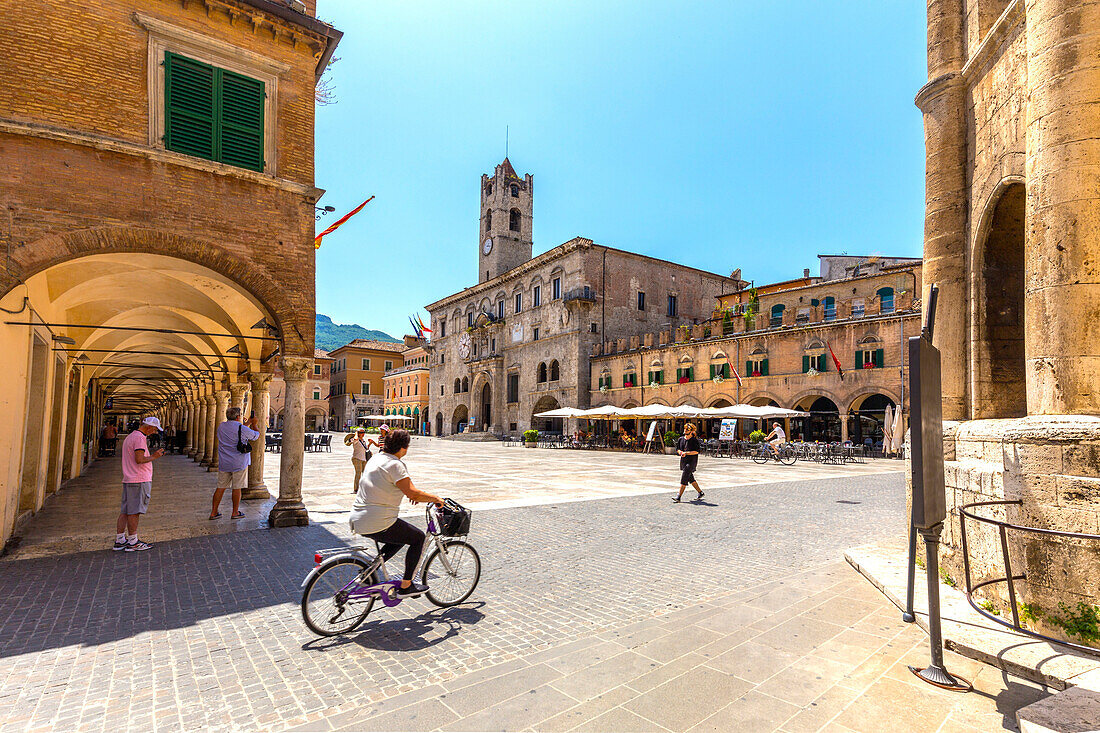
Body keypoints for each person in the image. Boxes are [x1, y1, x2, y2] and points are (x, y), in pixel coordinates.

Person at [349, 429, 443, 597]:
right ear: (402, 448)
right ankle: (407, 585)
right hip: (377, 520)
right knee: (418, 538)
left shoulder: (376, 458)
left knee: (398, 538)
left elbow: (391, 485)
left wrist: (414, 494)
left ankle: (369, 572)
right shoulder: (395, 464)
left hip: (357, 517)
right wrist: (435, 498)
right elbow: (412, 492)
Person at [114, 417, 165, 551]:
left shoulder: (131, 436)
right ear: (148, 427)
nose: (154, 432)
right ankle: (133, 541)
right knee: (134, 511)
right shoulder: (139, 438)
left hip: (129, 479)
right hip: (138, 479)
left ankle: (120, 539)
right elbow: (139, 459)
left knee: (125, 511)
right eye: (154, 429)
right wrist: (155, 456)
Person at [210, 406, 260, 520]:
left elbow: (237, 431)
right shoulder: (242, 428)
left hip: (224, 462)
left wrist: (246, 424)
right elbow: (256, 436)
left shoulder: (221, 426)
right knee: (237, 488)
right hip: (239, 462)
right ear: (238, 416)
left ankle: (213, 512)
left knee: (220, 487)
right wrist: (254, 424)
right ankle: (235, 512)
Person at [673, 422, 705, 502]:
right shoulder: (681, 439)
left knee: (684, 477)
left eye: (687, 429)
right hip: (684, 461)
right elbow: (678, 449)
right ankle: (700, 492)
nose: (685, 430)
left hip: (691, 461)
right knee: (690, 478)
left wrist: (686, 453)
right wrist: (680, 452)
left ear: (691, 431)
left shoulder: (694, 440)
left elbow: (697, 451)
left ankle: (679, 496)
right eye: (685, 429)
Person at [350, 427, 382, 494]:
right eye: (361, 433)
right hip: (357, 458)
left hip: (364, 459)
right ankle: (356, 489)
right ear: (358, 433)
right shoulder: (355, 440)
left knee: (365, 474)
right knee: (358, 473)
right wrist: (356, 432)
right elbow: (355, 438)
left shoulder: (363, 441)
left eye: (363, 432)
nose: (363, 434)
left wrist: (370, 443)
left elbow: (365, 448)